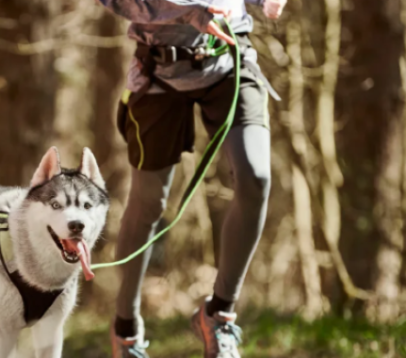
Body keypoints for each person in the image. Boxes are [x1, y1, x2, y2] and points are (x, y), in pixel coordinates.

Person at [95, 0, 287, 357]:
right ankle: (126, 331)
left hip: (230, 59)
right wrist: (189, 12)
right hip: (158, 70)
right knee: (148, 202)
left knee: (256, 177)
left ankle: (219, 316)